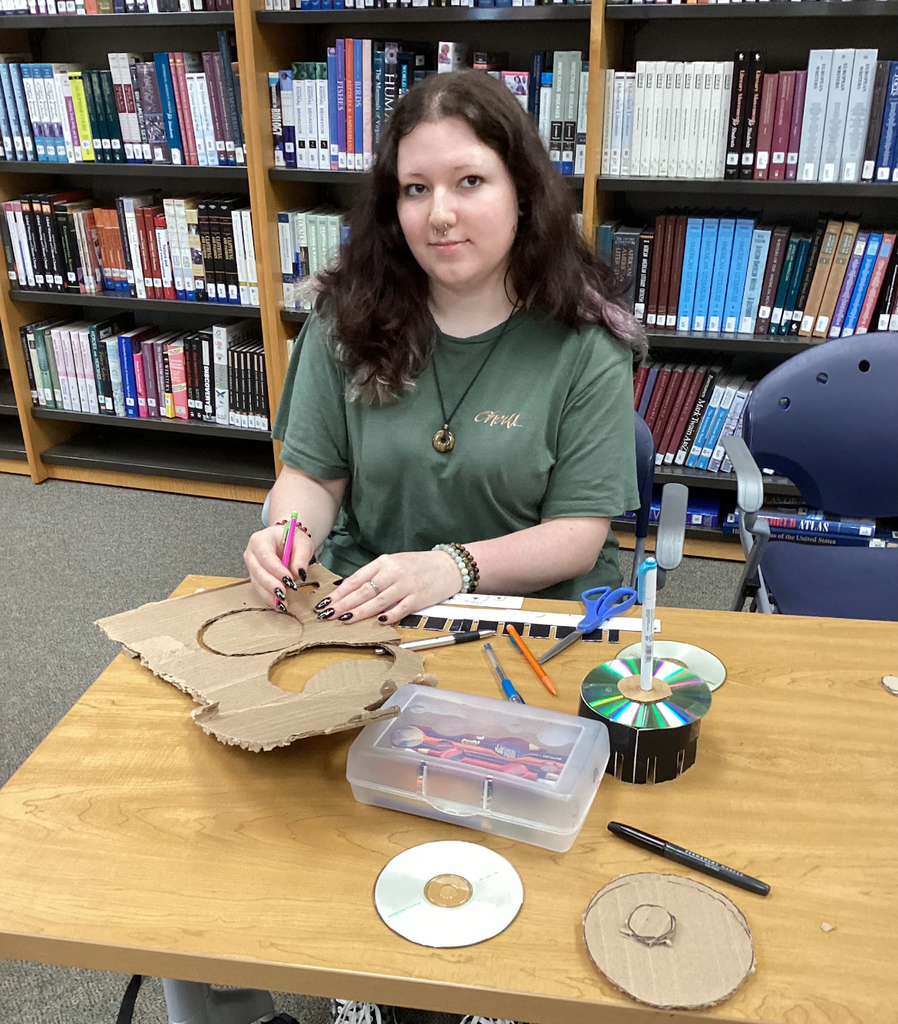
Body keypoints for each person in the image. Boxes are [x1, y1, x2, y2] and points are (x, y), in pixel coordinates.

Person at [244, 70, 645, 1024]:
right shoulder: (347, 323)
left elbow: (579, 535)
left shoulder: (586, 341)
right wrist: (283, 533)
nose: (441, 214)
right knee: (310, 834)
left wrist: (453, 566)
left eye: (469, 182)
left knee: (514, 834)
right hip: (370, 617)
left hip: (531, 629)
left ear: (521, 190)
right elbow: (311, 479)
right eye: (414, 189)